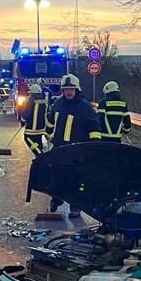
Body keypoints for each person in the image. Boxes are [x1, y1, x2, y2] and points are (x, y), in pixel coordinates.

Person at [45, 74, 101, 217]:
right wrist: (49, 135)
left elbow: (94, 127)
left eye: (71, 89)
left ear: (77, 90)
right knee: (56, 175)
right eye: (66, 89)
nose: (68, 92)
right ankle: (56, 199)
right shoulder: (58, 104)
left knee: (76, 178)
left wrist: (93, 147)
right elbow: (50, 121)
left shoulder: (84, 107)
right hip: (58, 148)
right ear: (62, 90)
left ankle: (75, 206)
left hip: (77, 150)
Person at [20, 82, 49, 156]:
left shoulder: (30, 101)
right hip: (42, 128)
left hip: (31, 129)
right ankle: (40, 153)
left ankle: (39, 154)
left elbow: (26, 113)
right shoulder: (44, 100)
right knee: (38, 141)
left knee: (27, 138)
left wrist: (22, 121)